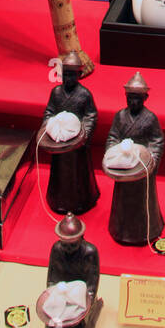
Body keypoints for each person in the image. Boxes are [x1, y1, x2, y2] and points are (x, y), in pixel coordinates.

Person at [102, 72, 165, 246]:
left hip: (143, 165)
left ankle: (148, 229)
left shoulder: (150, 118)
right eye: (130, 98)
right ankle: (120, 229)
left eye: (137, 98)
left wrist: (151, 160)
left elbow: (156, 140)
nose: (133, 102)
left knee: (144, 200)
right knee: (123, 200)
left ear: (145, 98)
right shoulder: (120, 116)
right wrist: (113, 154)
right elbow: (113, 137)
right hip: (124, 163)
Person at [40, 51, 100, 216]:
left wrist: (83, 135)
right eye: (65, 75)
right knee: (60, 173)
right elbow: (49, 111)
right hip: (60, 140)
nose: (68, 79)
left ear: (79, 75)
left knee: (79, 174)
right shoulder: (56, 93)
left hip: (77, 144)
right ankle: (57, 200)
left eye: (72, 75)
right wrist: (50, 127)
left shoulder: (84, 94)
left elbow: (91, 115)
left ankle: (83, 200)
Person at [39, 213, 102, 328]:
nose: (68, 249)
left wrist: (85, 304)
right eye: (65, 245)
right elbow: (52, 280)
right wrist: (54, 296)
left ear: (81, 238)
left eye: (73, 245)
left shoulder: (90, 252)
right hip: (61, 294)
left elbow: (91, 286)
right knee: (53, 323)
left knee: (77, 327)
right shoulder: (56, 249)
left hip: (81, 298)